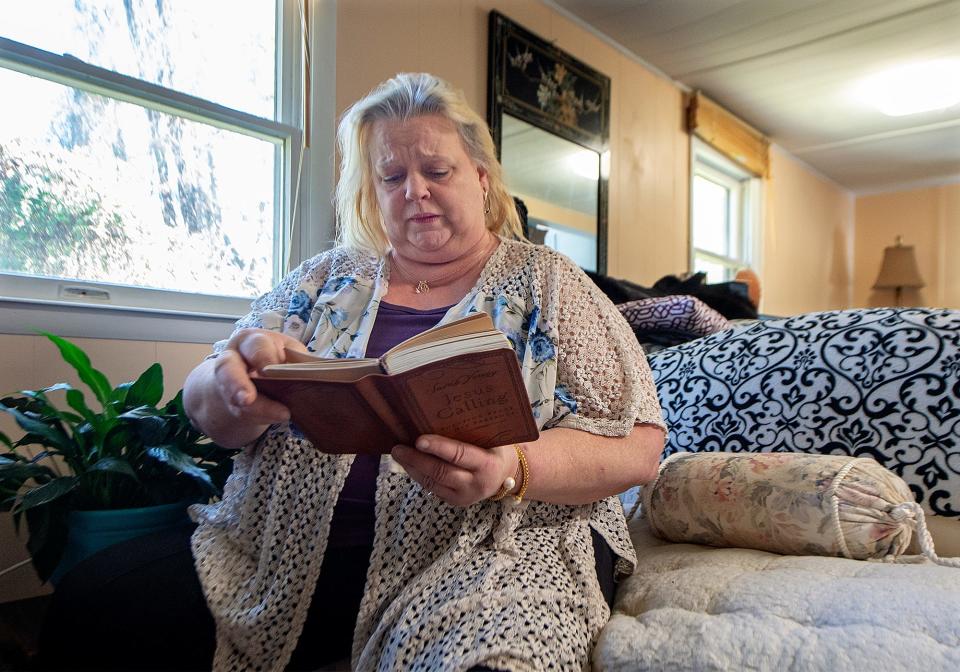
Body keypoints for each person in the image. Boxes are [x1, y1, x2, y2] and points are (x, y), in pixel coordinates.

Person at [37, 72, 665, 672]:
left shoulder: (550, 282)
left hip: (488, 554)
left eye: (436, 171)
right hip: (278, 554)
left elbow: (637, 443)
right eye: (391, 176)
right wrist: (234, 394)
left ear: (480, 177)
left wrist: (511, 470)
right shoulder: (321, 279)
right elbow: (205, 399)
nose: (413, 191)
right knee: (91, 605)